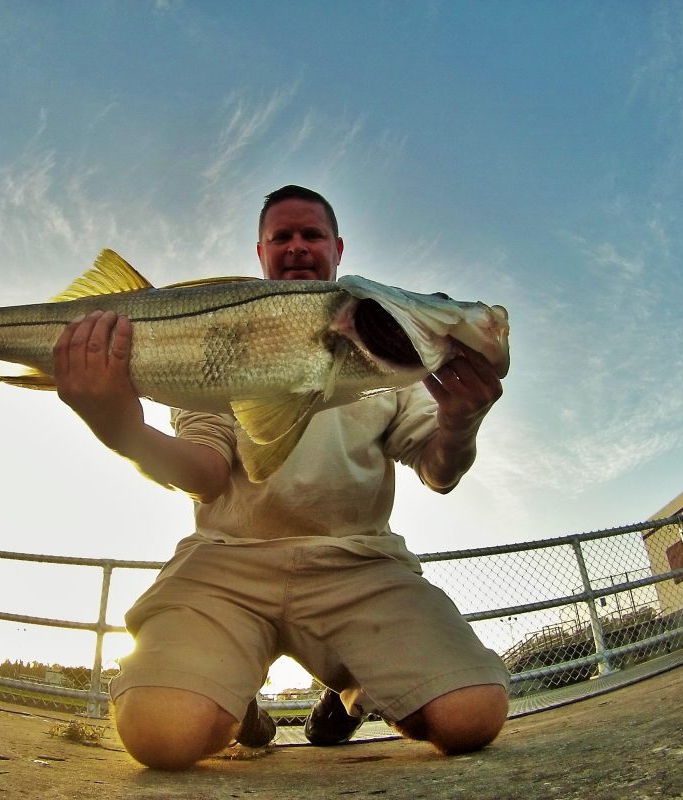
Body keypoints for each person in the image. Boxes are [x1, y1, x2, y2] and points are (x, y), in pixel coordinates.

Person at [52, 185, 510, 770]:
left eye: (312, 235)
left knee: (471, 717)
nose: (297, 247)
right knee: (158, 735)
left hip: (359, 565)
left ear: (338, 249)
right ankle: (241, 707)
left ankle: (353, 697)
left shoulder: (399, 353)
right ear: (261, 252)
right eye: (282, 237)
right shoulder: (216, 333)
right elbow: (208, 474)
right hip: (227, 562)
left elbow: (439, 472)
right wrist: (120, 430)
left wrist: (461, 422)